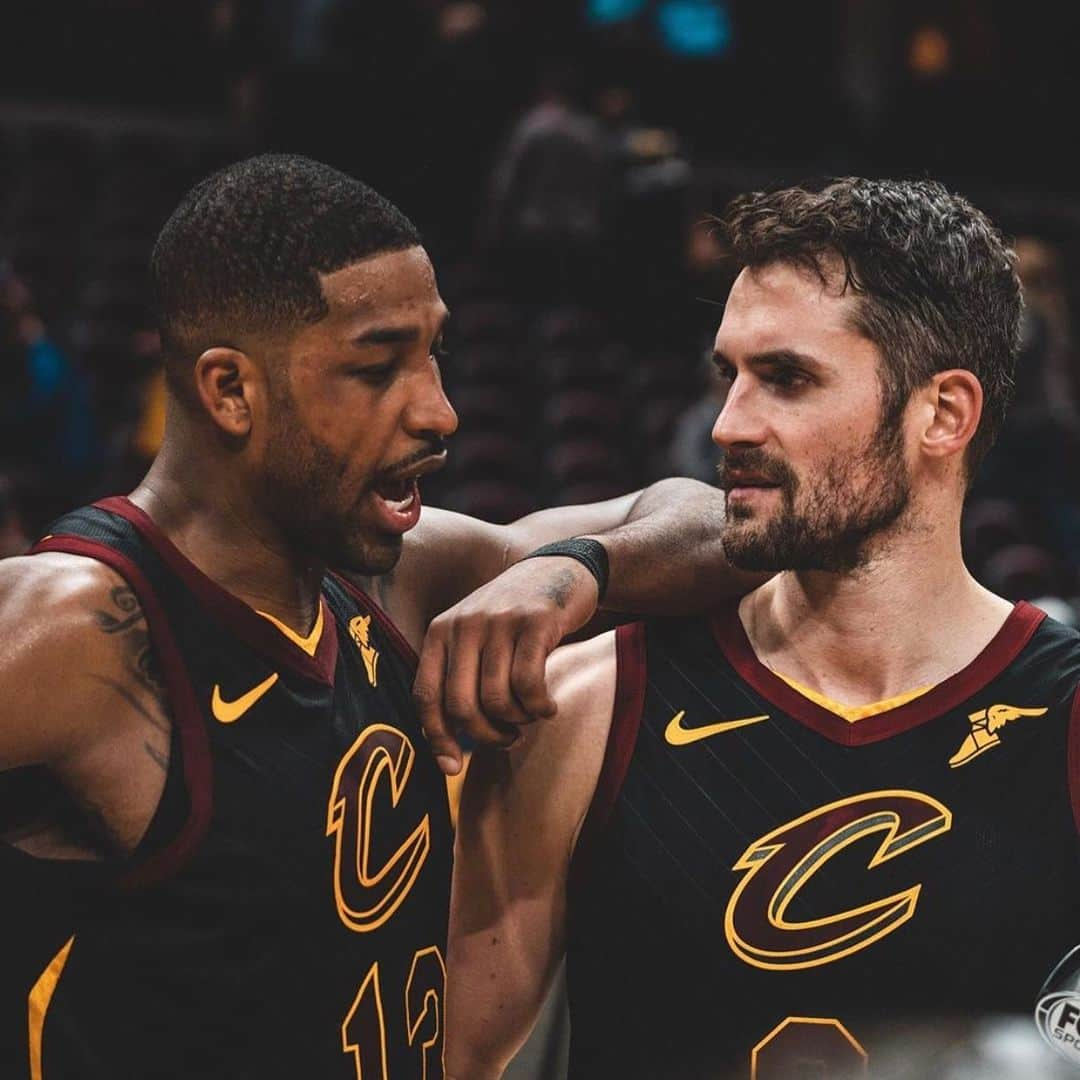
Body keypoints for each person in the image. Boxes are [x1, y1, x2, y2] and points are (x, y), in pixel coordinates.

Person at [0, 154, 757, 1078]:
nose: (439, 410)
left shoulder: (394, 571)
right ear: (230, 390)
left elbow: (722, 523)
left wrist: (571, 571)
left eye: (434, 354)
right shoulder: (83, 623)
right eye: (378, 366)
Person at [446, 178, 1080, 1080]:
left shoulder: (1067, 714)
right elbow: (453, 1064)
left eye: (785, 379)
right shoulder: (588, 708)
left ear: (942, 414)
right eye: (728, 375)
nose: (729, 423)